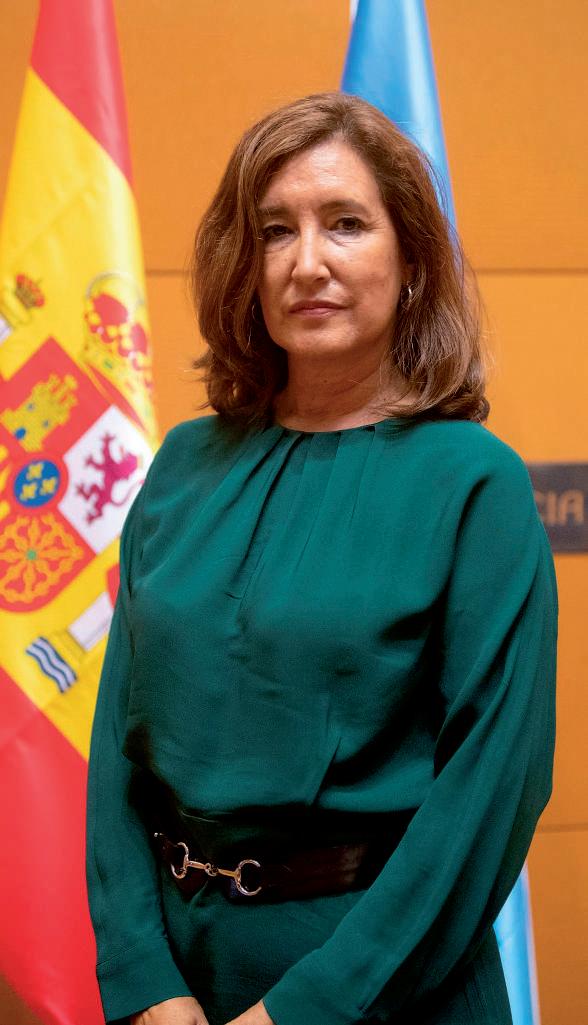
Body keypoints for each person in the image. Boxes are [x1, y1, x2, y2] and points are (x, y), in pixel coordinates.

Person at [85, 91, 558, 1025]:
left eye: (346, 224)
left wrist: (304, 1010)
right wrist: (146, 982)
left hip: (381, 984)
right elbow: (115, 750)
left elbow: (488, 797)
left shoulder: (474, 484)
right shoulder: (183, 465)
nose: (308, 263)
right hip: (178, 979)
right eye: (276, 230)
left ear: (411, 260)